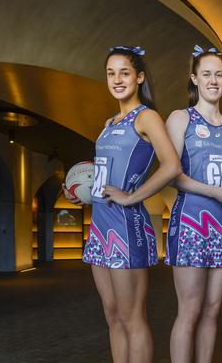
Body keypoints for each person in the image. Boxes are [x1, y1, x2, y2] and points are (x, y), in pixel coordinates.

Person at [64, 45, 181, 363]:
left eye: (124, 72)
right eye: (110, 73)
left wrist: (132, 196)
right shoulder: (110, 120)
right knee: (113, 315)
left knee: (132, 318)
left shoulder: (147, 117)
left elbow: (171, 166)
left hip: (127, 227)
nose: (117, 79)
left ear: (139, 77)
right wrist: (84, 189)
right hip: (100, 225)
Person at [164, 45, 222, 363]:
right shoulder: (180, 118)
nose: (213, 80)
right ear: (194, 78)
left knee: (212, 311)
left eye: (219, 74)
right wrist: (214, 192)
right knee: (190, 310)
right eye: (207, 74)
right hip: (190, 224)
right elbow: (173, 176)